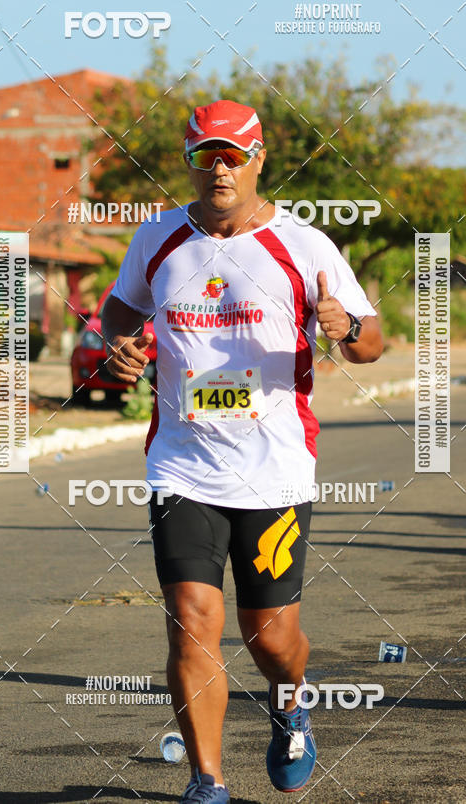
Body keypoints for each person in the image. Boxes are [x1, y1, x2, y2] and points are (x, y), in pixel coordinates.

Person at [102, 100, 383, 803]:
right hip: (182, 462)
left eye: (233, 156)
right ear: (190, 162)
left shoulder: (305, 245)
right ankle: (208, 784)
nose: (220, 168)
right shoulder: (159, 238)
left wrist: (343, 324)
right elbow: (118, 312)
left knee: (271, 637)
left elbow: (372, 343)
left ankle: (290, 705)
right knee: (193, 620)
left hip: (274, 470)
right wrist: (122, 346)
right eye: (206, 156)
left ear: (259, 160)